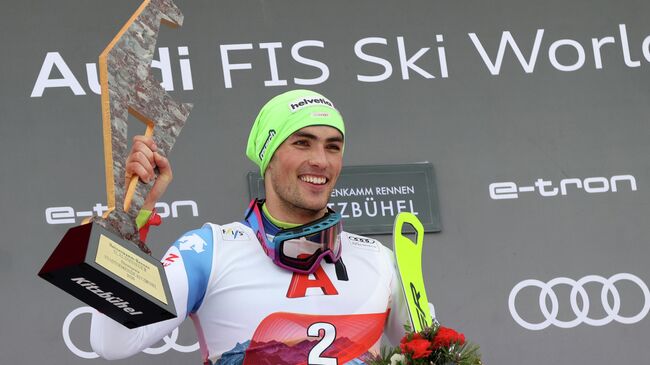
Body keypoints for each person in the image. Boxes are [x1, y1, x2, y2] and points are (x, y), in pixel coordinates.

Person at [90, 89, 408, 365]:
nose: (321, 161)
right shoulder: (209, 250)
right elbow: (113, 342)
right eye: (302, 143)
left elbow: (435, 350)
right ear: (267, 155)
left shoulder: (380, 258)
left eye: (333, 146)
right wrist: (128, 224)